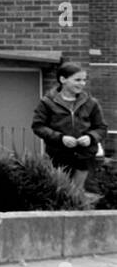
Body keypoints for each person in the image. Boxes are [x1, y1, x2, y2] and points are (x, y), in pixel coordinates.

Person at [33, 62, 108, 195]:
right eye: (77, 80)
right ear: (63, 80)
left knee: (83, 195)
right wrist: (61, 138)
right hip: (58, 157)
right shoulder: (47, 102)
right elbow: (38, 126)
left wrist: (90, 137)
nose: (82, 83)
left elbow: (101, 128)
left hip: (85, 158)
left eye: (84, 80)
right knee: (60, 194)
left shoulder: (91, 103)